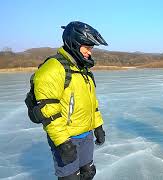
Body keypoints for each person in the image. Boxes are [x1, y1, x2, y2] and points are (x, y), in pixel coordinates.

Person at [32, 21, 108, 180]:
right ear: (74, 43)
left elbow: (92, 103)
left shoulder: (83, 70)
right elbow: (48, 112)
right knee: (70, 178)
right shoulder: (53, 68)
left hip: (86, 135)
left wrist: (98, 125)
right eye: (87, 48)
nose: (89, 53)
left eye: (91, 49)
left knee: (88, 173)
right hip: (67, 138)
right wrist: (62, 142)